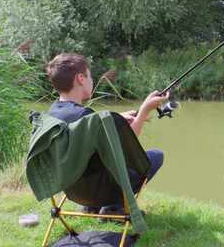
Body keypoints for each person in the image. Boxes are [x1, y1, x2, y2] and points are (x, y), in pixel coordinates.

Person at [45, 53, 168, 217]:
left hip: (73, 191)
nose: (91, 80)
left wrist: (117, 118)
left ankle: (91, 207)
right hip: (102, 191)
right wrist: (144, 111)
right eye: (90, 76)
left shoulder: (51, 115)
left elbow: (89, 127)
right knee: (155, 156)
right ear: (81, 79)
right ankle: (113, 206)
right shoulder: (86, 117)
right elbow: (126, 147)